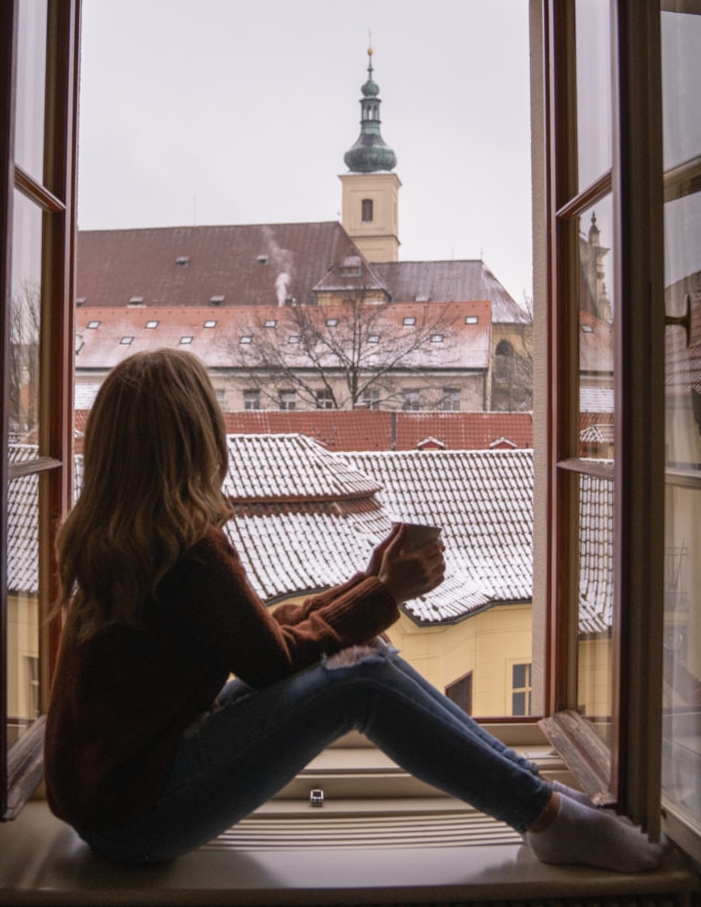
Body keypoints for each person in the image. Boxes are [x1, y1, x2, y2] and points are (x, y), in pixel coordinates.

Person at [44, 349, 668, 870]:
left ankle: (545, 801)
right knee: (361, 681)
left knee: (362, 655)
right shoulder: (189, 552)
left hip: (118, 804)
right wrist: (388, 594)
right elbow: (274, 662)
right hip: (141, 817)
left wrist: (367, 583)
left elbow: (257, 634)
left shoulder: (118, 537)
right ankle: (546, 815)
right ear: (196, 436)